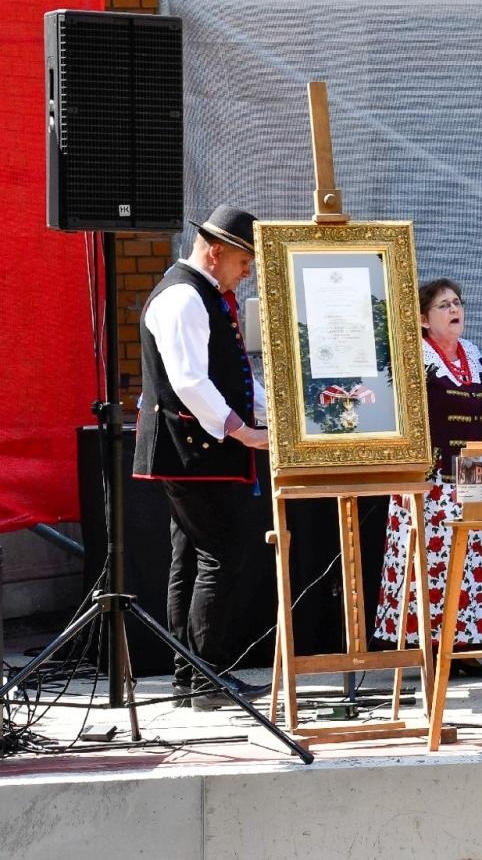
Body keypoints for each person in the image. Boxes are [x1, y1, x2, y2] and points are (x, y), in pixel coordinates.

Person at [133, 205, 271, 710]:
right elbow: (190, 381)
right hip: (192, 450)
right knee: (220, 557)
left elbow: (232, 376)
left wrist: (271, 413)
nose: (247, 271)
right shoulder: (184, 297)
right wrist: (241, 431)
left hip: (196, 450)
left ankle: (191, 678)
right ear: (215, 252)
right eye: (243, 260)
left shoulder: (203, 295)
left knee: (192, 558)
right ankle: (205, 677)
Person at [371, 279, 482, 674]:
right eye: (444, 305)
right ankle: (431, 647)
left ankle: (465, 646)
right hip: (433, 478)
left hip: (476, 474)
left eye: (457, 302)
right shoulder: (416, 356)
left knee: (471, 561)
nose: (455, 309)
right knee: (431, 563)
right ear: (424, 319)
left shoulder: (473, 353)